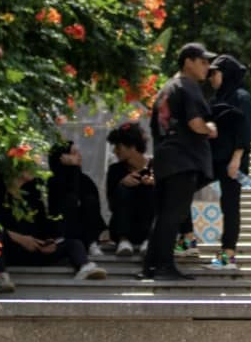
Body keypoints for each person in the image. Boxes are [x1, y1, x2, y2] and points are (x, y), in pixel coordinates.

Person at [139, 42, 218, 281]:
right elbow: (195, 123)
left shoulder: (167, 88)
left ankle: (151, 266)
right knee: (172, 215)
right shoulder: (188, 86)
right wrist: (210, 129)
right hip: (183, 160)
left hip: (165, 159)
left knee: (164, 215)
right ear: (188, 62)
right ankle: (163, 266)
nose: (207, 67)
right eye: (203, 62)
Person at [0, 168, 107, 293]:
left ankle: (84, 266)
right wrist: (20, 239)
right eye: (28, 164)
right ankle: (1, 275)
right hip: (10, 250)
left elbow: (42, 225)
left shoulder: (32, 196)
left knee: (74, 243)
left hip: (34, 249)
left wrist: (48, 241)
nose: (33, 168)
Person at [206, 54, 251, 270]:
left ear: (224, 74)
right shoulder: (218, 97)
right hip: (213, 159)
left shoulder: (241, 97)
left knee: (230, 205)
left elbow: (244, 130)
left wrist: (236, 159)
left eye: (214, 73)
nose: (211, 78)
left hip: (231, 162)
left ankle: (228, 255)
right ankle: (187, 238)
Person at [46, 141, 107, 258]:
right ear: (62, 157)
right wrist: (73, 168)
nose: (79, 155)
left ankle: (91, 243)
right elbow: (68, 195)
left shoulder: (85, 180)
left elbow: (94, 208)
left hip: (84, 230)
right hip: (63, 231)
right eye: (73, 153)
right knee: (70, 199)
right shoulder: (53, 181)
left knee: (89, 200)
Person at [105, 122, 156, 257]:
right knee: (123, 187)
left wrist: (154, 184)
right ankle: (124, 240)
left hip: (149, 227)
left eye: (118, 146)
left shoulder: (155, 166)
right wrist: (121, 183)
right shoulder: (115, 170)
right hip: (121, 228)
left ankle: (149, 240)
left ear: (132, 147)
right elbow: (111, 205)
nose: (115, 151)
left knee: (150, 189)